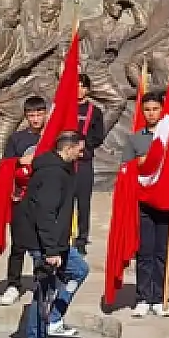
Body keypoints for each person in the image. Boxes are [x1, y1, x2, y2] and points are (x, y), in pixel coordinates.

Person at [22, 131, 85, 338]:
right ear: (68, 149)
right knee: (43, 291)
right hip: (45, 244)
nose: (82, 152)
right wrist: (51, 250)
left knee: (79, 271)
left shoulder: (63, 170)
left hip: (58, 242)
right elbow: (46, 213)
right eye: (79, 148)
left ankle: (55, 318)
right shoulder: (52, 174)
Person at [0, 96, 50, 308]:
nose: (36, 119)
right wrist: (19, 161)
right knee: (18, 244)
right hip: (21, 198)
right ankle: (13, 284)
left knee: (44, 245)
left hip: (46, 200)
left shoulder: (53, 136)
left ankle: (44, 282)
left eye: (39, 114)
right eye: (31, 115)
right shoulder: (17, 139)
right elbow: (5, 165)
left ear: (46, 113)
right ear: (26, 116)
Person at [129, 92, 169, 318]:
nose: (151, 113)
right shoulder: (137, 137)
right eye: (147, 109)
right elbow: (133, 166)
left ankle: (159, 297)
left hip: (165, 202)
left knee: (161, 252)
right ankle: (143, 297)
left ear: (162, 110)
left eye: (155, 109)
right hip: (144, 200)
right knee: (145, 251)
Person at [71, 75, 105, 253]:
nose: (79, 90)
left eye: (82, 86)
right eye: (75, 86)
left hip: (84, 162)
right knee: (64, 202)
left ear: (87, 90)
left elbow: (99, 135)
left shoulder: (95, 111)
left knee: (83, 203)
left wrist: (87, 143)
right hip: (66, 162)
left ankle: (82, 239)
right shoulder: (64, 107)